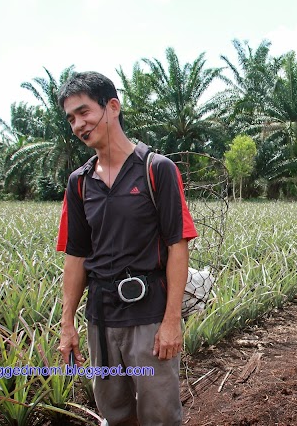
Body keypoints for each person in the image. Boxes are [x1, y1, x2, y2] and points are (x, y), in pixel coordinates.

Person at [56, 71, 197, 426]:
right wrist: (67, 322)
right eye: (71, 118)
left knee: (160, 415)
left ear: (112, 107)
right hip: (100, 319)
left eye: (84, 112)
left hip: (149, 317)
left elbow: (177, 247)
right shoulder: (79, 183)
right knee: (114, 413)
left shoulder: (157, 170)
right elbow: (76, 256)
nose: (78, 125)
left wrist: (171, 322)